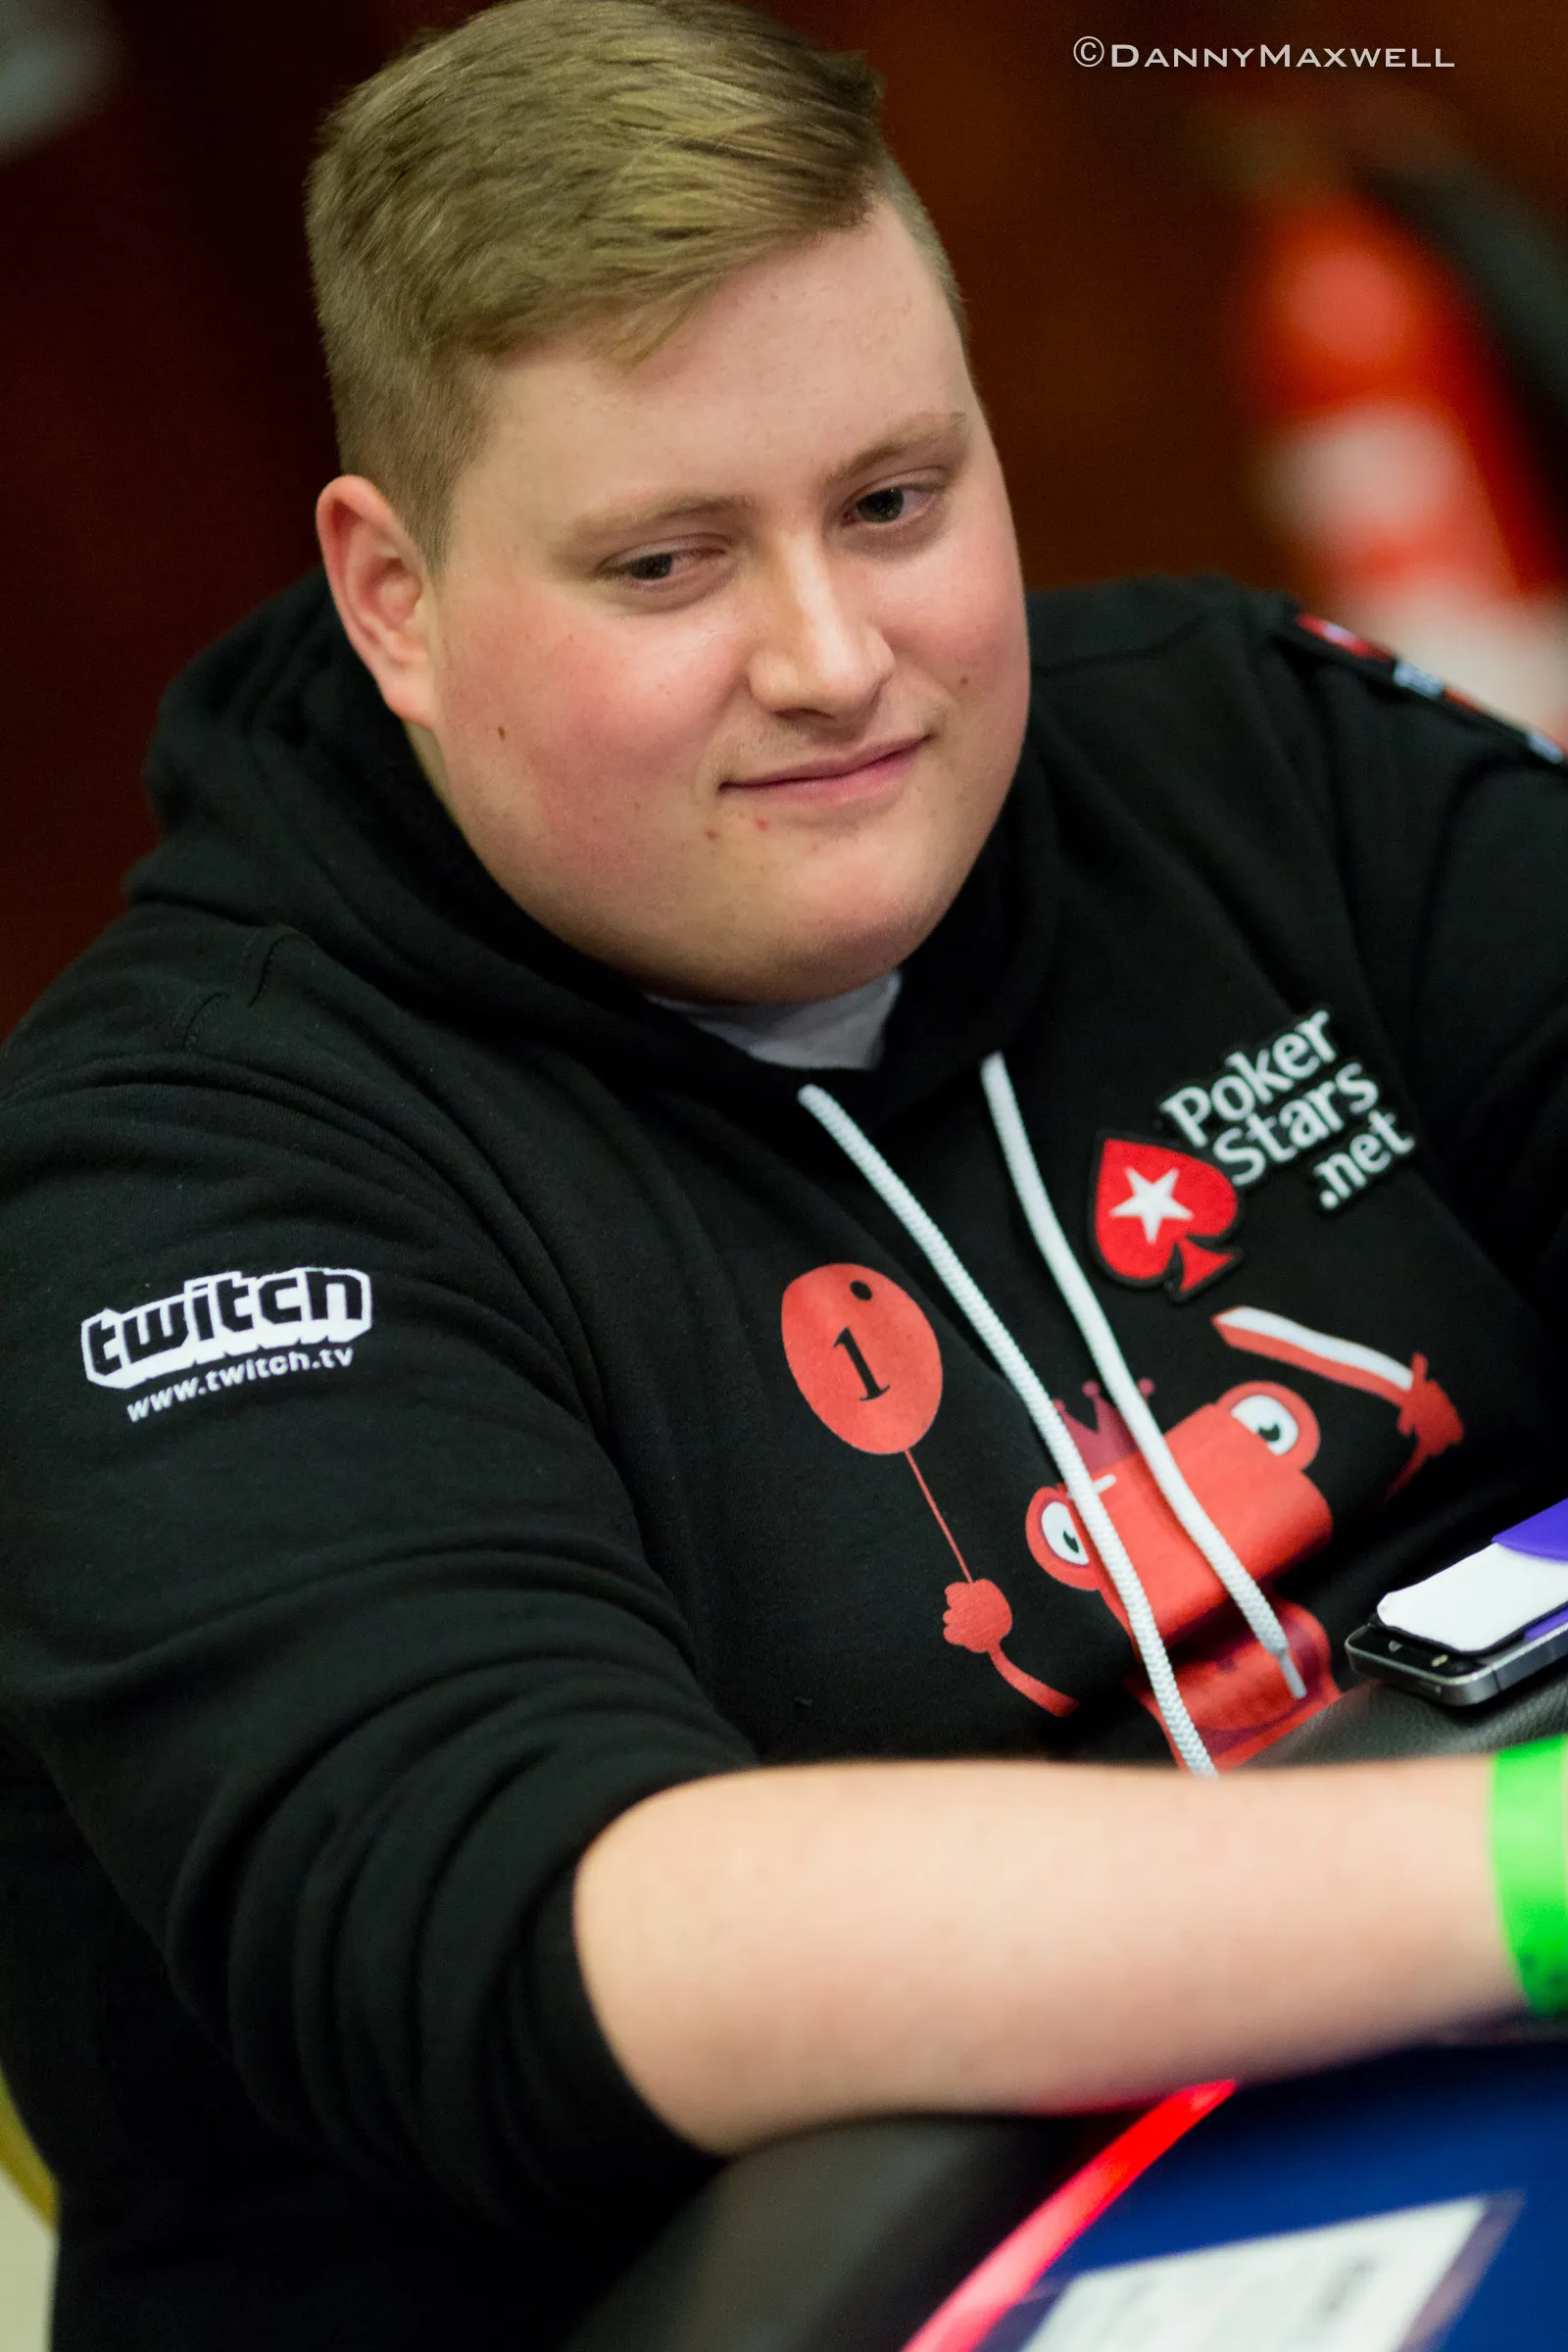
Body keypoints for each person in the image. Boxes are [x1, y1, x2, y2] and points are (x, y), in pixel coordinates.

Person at [2, 1, 1567, 2343]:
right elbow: (556, 1931)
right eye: (664, 564)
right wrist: (1526, 1877)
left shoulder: (1248, 752)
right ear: (393, 597)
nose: (833, 660)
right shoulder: (170, 1174)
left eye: (891, 502)